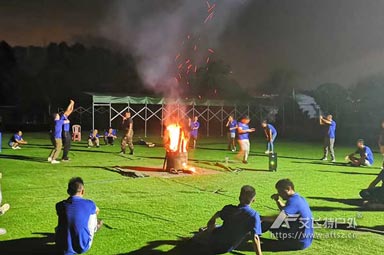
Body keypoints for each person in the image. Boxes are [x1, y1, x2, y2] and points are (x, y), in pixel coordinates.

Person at [193, 185, 262, 255]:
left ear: (239, 197)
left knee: (198, 237)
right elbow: (255, 237)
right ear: (253, 200)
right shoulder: (254, 215)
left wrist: (210, 228)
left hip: (212, 243)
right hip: (224, 248)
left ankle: (202, 234)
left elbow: (216, 215)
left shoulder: (228, 208)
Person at [262, 179, 313, 251]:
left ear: (289, 189)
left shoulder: (293, 201)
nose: (279, 193)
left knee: (268, 222)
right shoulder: (299, 198)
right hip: (306, 241)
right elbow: (285, 210)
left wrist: (262, 218)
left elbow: (280, 218)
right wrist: (277, 200)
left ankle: (252, 235)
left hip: (297, 242)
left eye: (280, 191)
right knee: (272, 222)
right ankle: (253, 235)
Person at [55, 177, 102, 255]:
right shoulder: (89, 204)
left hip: (61, 247)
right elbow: (97, 210)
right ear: (83, 191)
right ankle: (95, 227)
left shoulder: (59, 205)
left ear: (68, 191)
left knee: (63, 218)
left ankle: (66, 239)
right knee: (93, 214)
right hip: (83, 246)